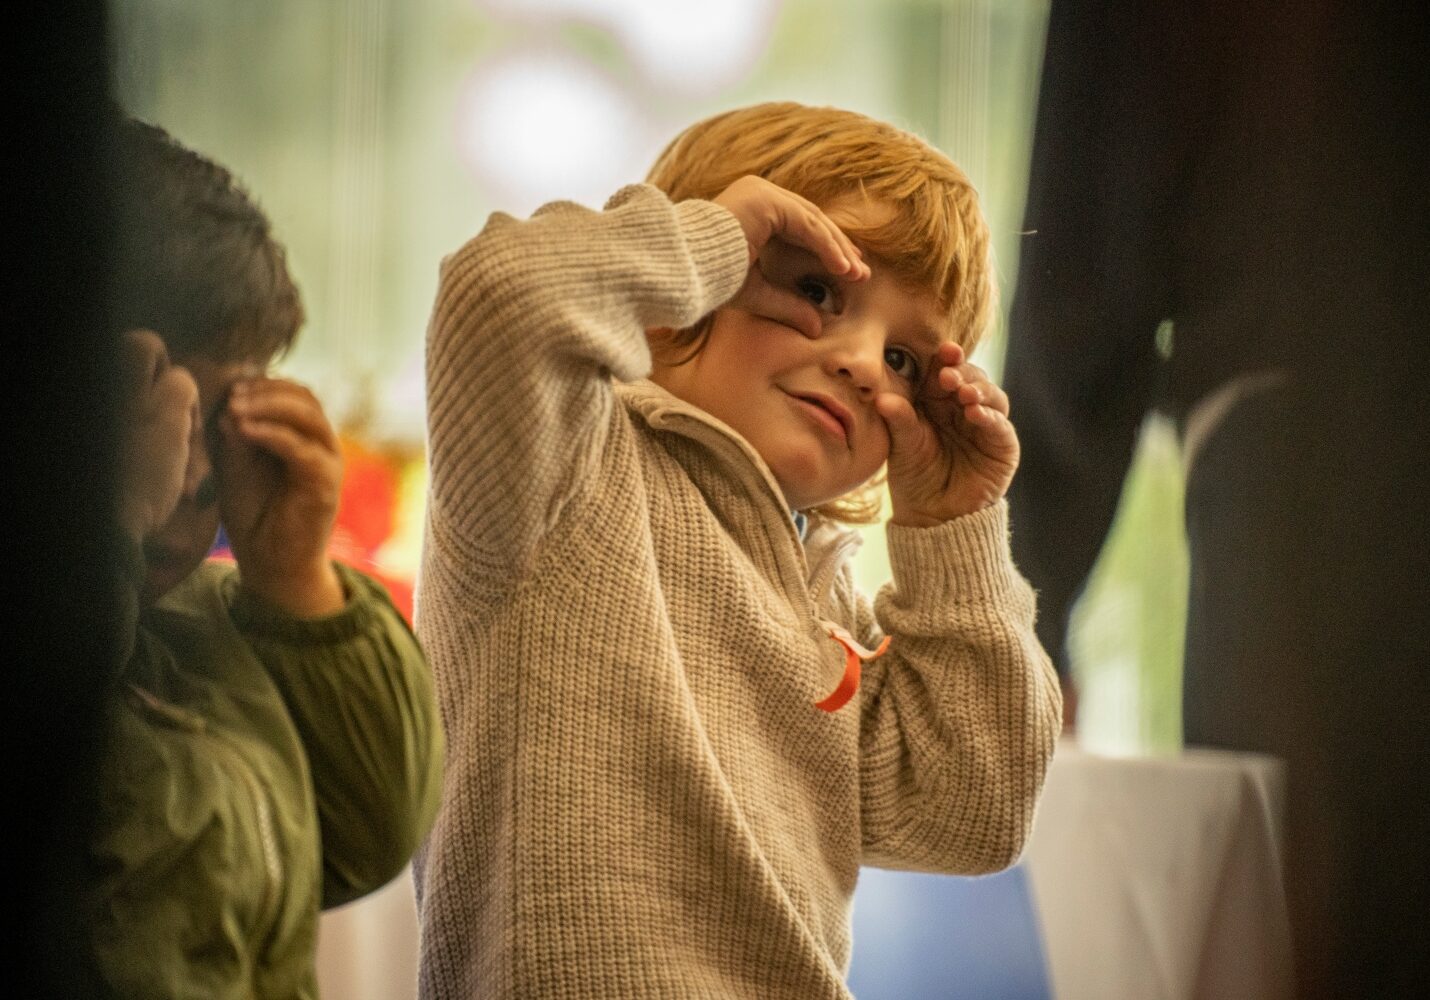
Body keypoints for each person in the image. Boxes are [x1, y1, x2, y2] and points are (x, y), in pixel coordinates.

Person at [413, 101, 1062, 999]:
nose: (866, 363)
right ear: (685, 281)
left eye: (908, 362)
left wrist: (953, 528)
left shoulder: (823, 600)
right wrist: (708, 240)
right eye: (814, 289)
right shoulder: (562, 463)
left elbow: (974, 810)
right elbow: (501, 293)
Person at [1002, 1, 1430, 996]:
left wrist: (1023, 598)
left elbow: (1086, 241)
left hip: (1319, 479)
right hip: (1313, 451)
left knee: (1325, 931)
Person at [89, 117, 445, 998]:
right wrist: (99, 530)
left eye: (220, 424)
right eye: (154, 416)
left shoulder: (204, 639)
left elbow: (367, 833)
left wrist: (296, 583)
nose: (197, 476)